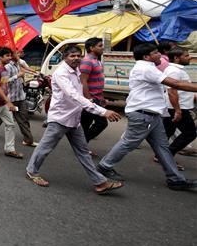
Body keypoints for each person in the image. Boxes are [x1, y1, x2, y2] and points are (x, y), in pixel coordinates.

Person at [97, 43, 197, 191]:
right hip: (143, 114)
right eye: (156, 53)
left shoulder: (148, 68)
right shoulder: (145, 68)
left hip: (152, 114)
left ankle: (175, 179)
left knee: (162, 147)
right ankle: (104, 166)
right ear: (146, 56)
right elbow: (174, 84)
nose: (160, 55)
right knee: (129, 143)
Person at [25, 46, 123, 194]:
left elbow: (79, 92)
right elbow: (73, 95)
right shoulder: (61, 73)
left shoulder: (76, 71)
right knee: (45, 148)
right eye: (72, 56)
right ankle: (31, 171)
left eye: (78, 55)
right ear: (65, 57)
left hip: (74, 119)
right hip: (60, 118)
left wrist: (92, 100)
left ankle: (100, 182)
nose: (76, 58)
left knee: (83, 151)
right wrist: (102, 111)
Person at [160, 47, 197, 169]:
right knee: (190, 133)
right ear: (176, 58)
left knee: (167, 132)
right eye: (186, 55)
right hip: (176, 107)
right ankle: (167, 155)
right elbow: (172, 92)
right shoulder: (174, 71)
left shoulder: (177, 69)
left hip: (176, 107)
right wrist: (178, 110)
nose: (189, 57)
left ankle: (161, 156)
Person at [80, 38, 108, 153]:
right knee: (102, 123)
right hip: (91, 98)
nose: (102, 48)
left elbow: (98, 81)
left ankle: (82, 146)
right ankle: (82, 144)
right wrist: (88, 99)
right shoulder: (87, 61)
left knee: (85, 124)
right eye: (100, 46)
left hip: (97, 97)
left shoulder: (97, 61)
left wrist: (101, 97)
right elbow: (83, 81)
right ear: (91, 48)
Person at [6, 51, 37, 146]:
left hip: (21, 97)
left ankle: (27, 140)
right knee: (3, 118)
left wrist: (33, 73)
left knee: (24, 118)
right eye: (17, 53)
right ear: (11, 55)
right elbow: (5, 81)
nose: (19, 55)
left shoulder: (19, 64)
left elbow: (25, 70)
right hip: (12, 99)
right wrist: (17, 76)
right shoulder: (7, 67)